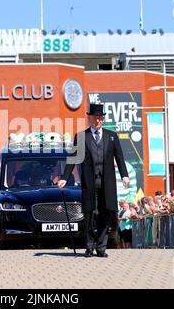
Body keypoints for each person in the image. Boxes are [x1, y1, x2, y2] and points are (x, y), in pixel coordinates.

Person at [57, 104, 130, 258]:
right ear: (89, 118)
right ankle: (89, 247)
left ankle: (101, 248)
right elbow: (73, 159)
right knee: (89, 214)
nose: (98, 120)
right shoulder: (82, 137)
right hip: (89, 182)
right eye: (95, 118)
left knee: (106, 214)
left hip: (107, 182)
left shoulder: (111, 136)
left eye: (100, 118)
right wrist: (64, 177)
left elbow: (120, 157)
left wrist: (124, 175)